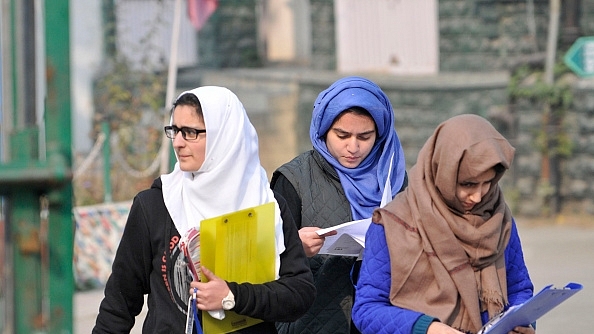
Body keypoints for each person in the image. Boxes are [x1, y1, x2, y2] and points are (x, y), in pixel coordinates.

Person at [93, 86, 315, 333]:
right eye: (174, 130)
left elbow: (299, 294)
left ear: (225, 136)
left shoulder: (265, 205)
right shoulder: (156, 205)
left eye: (190, 132)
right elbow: (119, 303)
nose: (177, 143)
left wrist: (232, 296)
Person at [352, 114, 535, 334]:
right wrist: (427, 328)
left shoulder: (498, 218)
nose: (477, 197)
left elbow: (518, 289)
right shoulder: (392, 224)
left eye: (488, 183)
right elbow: (367, 310)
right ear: (442, 172)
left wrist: (521, 323)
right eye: (468, 184)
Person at [271, 76, 408, 334]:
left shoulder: (393, 177)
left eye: (365, 136)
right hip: (311, 321)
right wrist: (293, 246)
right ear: (323, 129)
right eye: (342, 135)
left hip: (380, 319)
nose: (353, 147)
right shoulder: (294, 179)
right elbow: (263, 259)